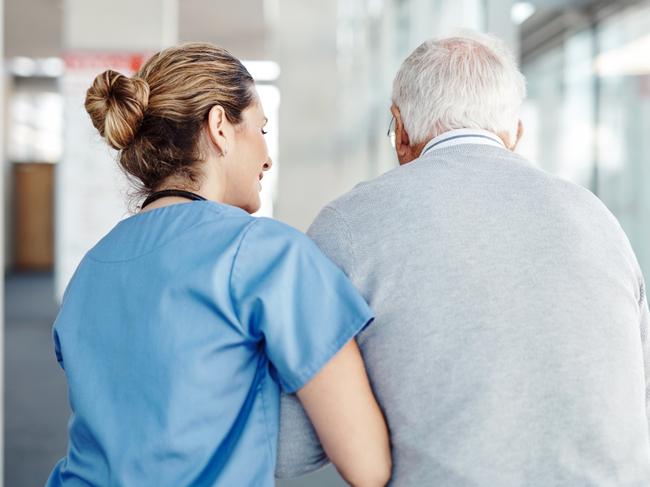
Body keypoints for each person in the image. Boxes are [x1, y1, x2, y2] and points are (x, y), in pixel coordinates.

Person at [277, 32, 650, 486]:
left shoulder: (349, 224)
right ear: (515, 133)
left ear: (400, 129)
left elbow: (294, 444)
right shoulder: (598, 219)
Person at [46, 42, 390, 487]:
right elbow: (368, 465)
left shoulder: (90, 270)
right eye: (262, 129)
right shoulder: (266, 252)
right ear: (220, 127)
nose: (268, 156)